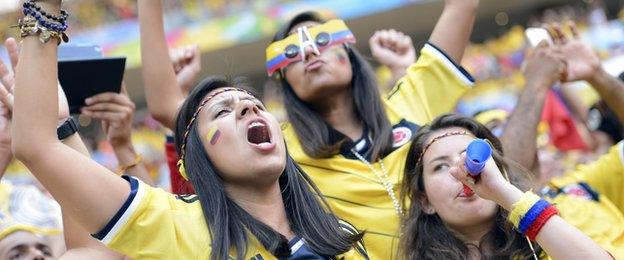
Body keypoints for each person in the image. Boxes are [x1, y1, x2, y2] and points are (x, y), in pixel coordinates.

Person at [11, 1, 368, 259]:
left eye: (256, 105)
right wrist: (45, 9)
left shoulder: (342, 238)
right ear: (192, 161)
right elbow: (36, 146)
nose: (248, 107)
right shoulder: (176, 227)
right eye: (222, 112)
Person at [140, 0, 479, 257]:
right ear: (283, 80)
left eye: (322, 38)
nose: (310, 51)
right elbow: (166, 105)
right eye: (290, 52)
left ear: (349, 51)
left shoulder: (410, 102)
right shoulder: (279, 148)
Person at [400, 114, 613, 259]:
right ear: (425, 201)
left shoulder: (556, 229)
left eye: (470, 155)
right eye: (441, 166)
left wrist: (505, 193)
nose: (461, 169)